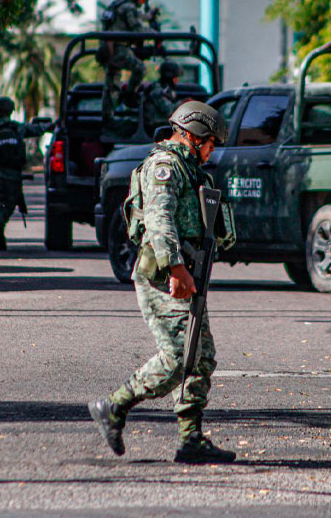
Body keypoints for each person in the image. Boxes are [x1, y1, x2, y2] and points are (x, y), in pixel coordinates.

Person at [89, 100, 238, 464]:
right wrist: (175, 269)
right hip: (162, 276)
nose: (213, 149)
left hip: (188, 274)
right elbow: (159, 222)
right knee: (176, 359)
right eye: (211, 142)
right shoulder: (165, 166)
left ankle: (191, 438)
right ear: (193, 134)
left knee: (200, 358)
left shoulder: (193, 170)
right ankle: (113, 406)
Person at [0, 97, 51, 251]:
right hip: (12, 175)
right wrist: (52, 125)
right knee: (8, 206)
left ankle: (0, 239)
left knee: (0, 206)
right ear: (12, 111)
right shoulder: (18, 128)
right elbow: (38, 129)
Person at [98, 0, 158, 128]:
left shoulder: (118, 3)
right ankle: (130, 97)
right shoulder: (128, 7)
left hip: (108, 47)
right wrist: (156, 34)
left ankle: (108, 119)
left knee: (112, 84)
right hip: (118, 48)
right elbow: (137, 29)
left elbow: (134, 16)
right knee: (140, 69)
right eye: (143, 0)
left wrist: (148, 16)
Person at [141, 60, 184, 133]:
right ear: (170, 77)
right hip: (155, 127)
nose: (177, 81)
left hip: (160, 124)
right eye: (175, 77)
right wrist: (184, 103)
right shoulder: (157, 91)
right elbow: (170, 111)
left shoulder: (165, 89)